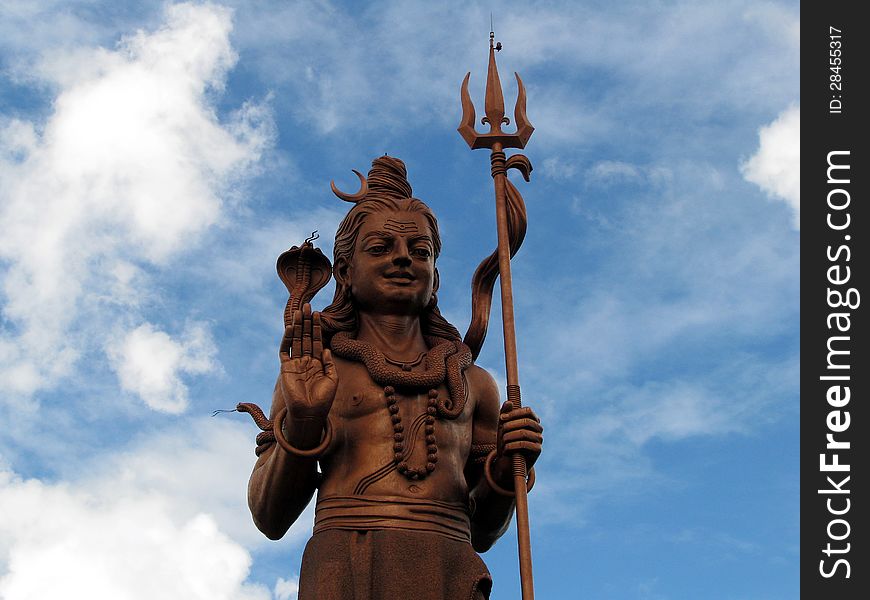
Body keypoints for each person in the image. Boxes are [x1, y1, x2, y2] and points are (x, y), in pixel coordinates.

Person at [247, 156, 542, 599]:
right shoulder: (317, 370)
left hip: (450, 566)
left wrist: (506, 466)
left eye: (419, 251)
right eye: (381, 247)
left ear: (435, 275)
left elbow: (482, 530)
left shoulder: (474, 382)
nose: (403, 259)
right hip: (347, 563)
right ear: (345, 271)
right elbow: (270, 517)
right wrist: (305, 421)